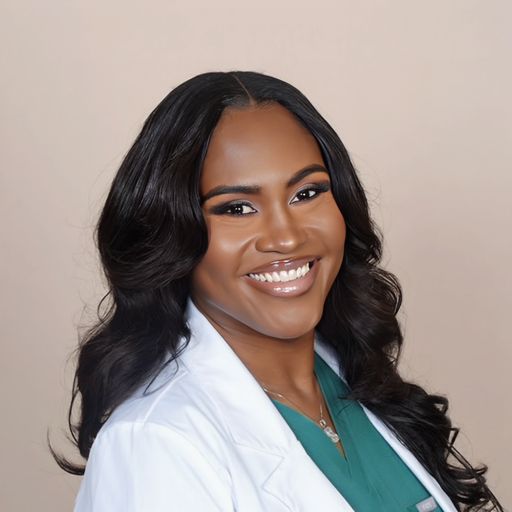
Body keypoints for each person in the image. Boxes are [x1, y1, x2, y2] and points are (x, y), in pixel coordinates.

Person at [54, 71, 502, 511]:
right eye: (237, 208)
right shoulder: (155, 445)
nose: (286, 238)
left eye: (306, 194)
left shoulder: (352, 380)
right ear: (170, 232)